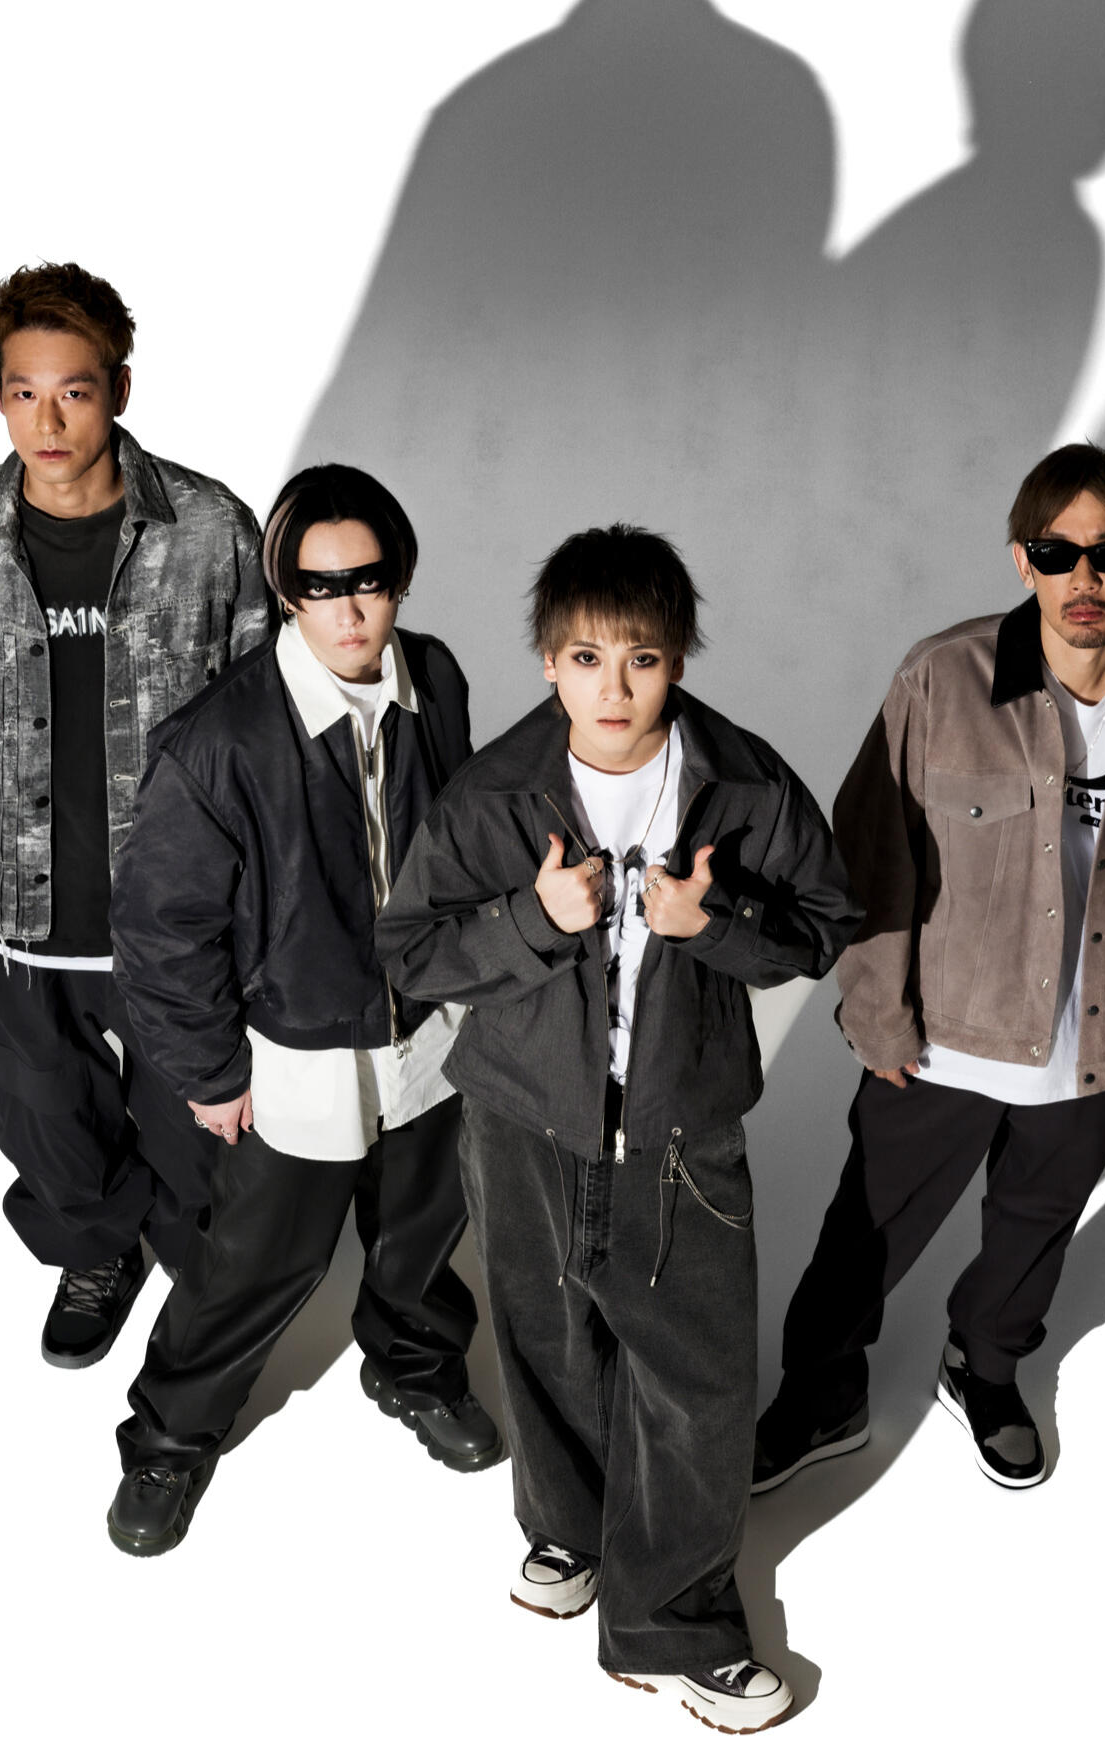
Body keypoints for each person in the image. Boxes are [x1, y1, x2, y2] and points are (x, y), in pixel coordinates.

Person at [377, 526, 858, 1736]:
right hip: (522, 1118)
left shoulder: (744, 784)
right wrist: (533, 918)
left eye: (640, 658)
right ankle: (571, 1530)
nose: (613, 688)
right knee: (546, 1339)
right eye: (586, 658)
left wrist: (714, 920)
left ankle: (673, 1620)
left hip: (678, 1128)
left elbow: (821, 926)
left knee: (694, 1378)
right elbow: (413, 951)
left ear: (676, 660)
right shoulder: (494, 792)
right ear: (548, 661)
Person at [754, 443, 1105, 1494]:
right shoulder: (943, 677)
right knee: (865, 1234)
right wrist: (876, 1013)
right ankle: (821, 1392)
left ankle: (984, 1368)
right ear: (1022, 560)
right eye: (1056, 552)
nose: (1084, 577)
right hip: (943, 1034)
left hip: (1097, 1041)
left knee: (1033, 1231)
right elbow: (870, 856)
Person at [0, 262, 269, 1369]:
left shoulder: (210, 530)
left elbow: (264, 710)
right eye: (24, 393)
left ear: (120, 389)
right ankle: (96, 1250)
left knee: (202, 1129)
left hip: (177, 912)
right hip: (16, 911)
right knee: (45, 1118)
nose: (48, 424)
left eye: (75, 393)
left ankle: (203, 1277)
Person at [103, 464, 498, 1558]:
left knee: (422, 1233)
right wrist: (209, 1072)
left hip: (429, 1036)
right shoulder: (219, 739)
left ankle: (414, 1367)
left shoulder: (437, 680)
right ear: (286, 592)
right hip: (295, 1054)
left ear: (398, 579)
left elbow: (461, 840)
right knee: (253, 1264)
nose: (348, 609)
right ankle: (169, 1437)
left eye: (366, 580)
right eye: (320, 587)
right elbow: (159, 927)